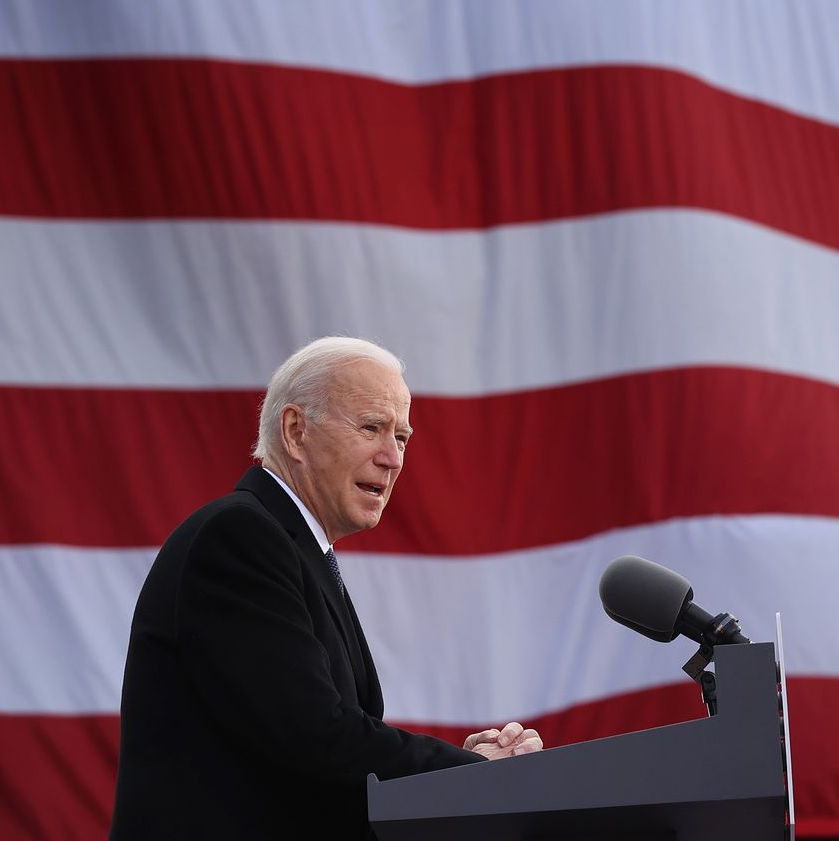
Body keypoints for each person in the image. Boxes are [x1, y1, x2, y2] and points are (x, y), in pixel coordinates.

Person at [110, 336, 541, 839]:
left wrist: (460, 773)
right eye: (371, 427)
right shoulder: (239, 538)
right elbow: (314, 735)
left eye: (402, 437)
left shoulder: (292, 546)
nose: (393, 458)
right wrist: (472, 772)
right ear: (296, 431)